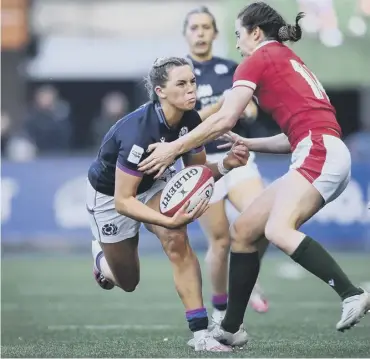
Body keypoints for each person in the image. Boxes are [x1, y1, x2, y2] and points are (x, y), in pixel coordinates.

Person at [138, 2, 370, 346]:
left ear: (255, 32)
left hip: (318, 151)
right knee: (244, 231)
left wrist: (174, 147)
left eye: (238, 35)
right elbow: (292, 135)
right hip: (320, 148)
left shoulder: (257, 59)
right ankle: (231, 328)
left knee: (277, 229)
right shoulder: (286, 58)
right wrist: (249, 142)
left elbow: (224, 118)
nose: (236, 44)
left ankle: (351, 293)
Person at [86, 56, 250, 352]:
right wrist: (169, 219)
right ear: (160, 91)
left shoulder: (190, 120)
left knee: (177, 238)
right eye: (182, 84)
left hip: (154, 185)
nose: (192, 91)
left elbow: (196, 174)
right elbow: (124, 201)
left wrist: (226, 164)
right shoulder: (138, 132)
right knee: (127, 281)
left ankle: (200, 334)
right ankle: (100, 257)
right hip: (111, 197)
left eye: (193, 83)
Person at [183, 6, 269, 324]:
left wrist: (246, 112)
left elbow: (253, 108)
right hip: (202, 163)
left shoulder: (232, 68)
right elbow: (186, 124)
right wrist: (222, 107)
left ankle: (247, 281)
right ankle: (221, 310)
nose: (201, 32)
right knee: (219, 242)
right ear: (186, 34)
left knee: (262, 223)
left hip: (239, 155)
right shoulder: (180, 73)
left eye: (207, 27)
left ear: (216, 34)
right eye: (195, 28)